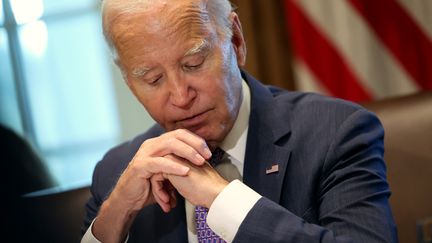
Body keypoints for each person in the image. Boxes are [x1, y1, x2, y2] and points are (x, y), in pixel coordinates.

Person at [82, 0, 397, 242]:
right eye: (152, 79)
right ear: (128, 81)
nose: (180, 96)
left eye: (193, 64)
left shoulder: (335, 132)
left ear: (235, 40)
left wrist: (222, 200)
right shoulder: (115, 173)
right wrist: (114, 216)